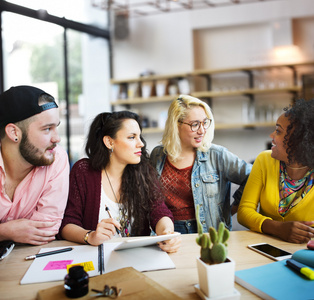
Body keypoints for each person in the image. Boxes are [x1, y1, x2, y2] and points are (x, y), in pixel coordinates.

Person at [59, 111, 180, 253]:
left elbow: (159, 211)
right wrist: (90, 236)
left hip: (136, 257)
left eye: (139, 136)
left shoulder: (143, 171)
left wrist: (167, 232)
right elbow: (68, 224)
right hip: (96, 257)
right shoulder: (83, 171)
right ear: (109, 142)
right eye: (131, 137)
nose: (140, 143)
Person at [150, 95, 252, 234]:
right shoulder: (158, 155)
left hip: (208, 233)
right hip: (168, 231)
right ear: (176, 125)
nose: (202, 130)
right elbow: (152, 198)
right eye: (195, 124)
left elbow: (252, 176)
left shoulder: (217, 155)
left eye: (205, 122)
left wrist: (233, 208)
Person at [0, 85, 70, 245]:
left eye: (56, 127)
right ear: (14, 132)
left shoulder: (56, 158)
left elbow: (45, 231)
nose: (57, 139)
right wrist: (6, 231)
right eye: (47, 129)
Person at [238, 99, 314, 244]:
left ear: (299, 141)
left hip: (305, 250)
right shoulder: (264, 160)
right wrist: (278, 228)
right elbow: (244, 211)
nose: (271, 136)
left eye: (278, 131)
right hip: (266, 247)